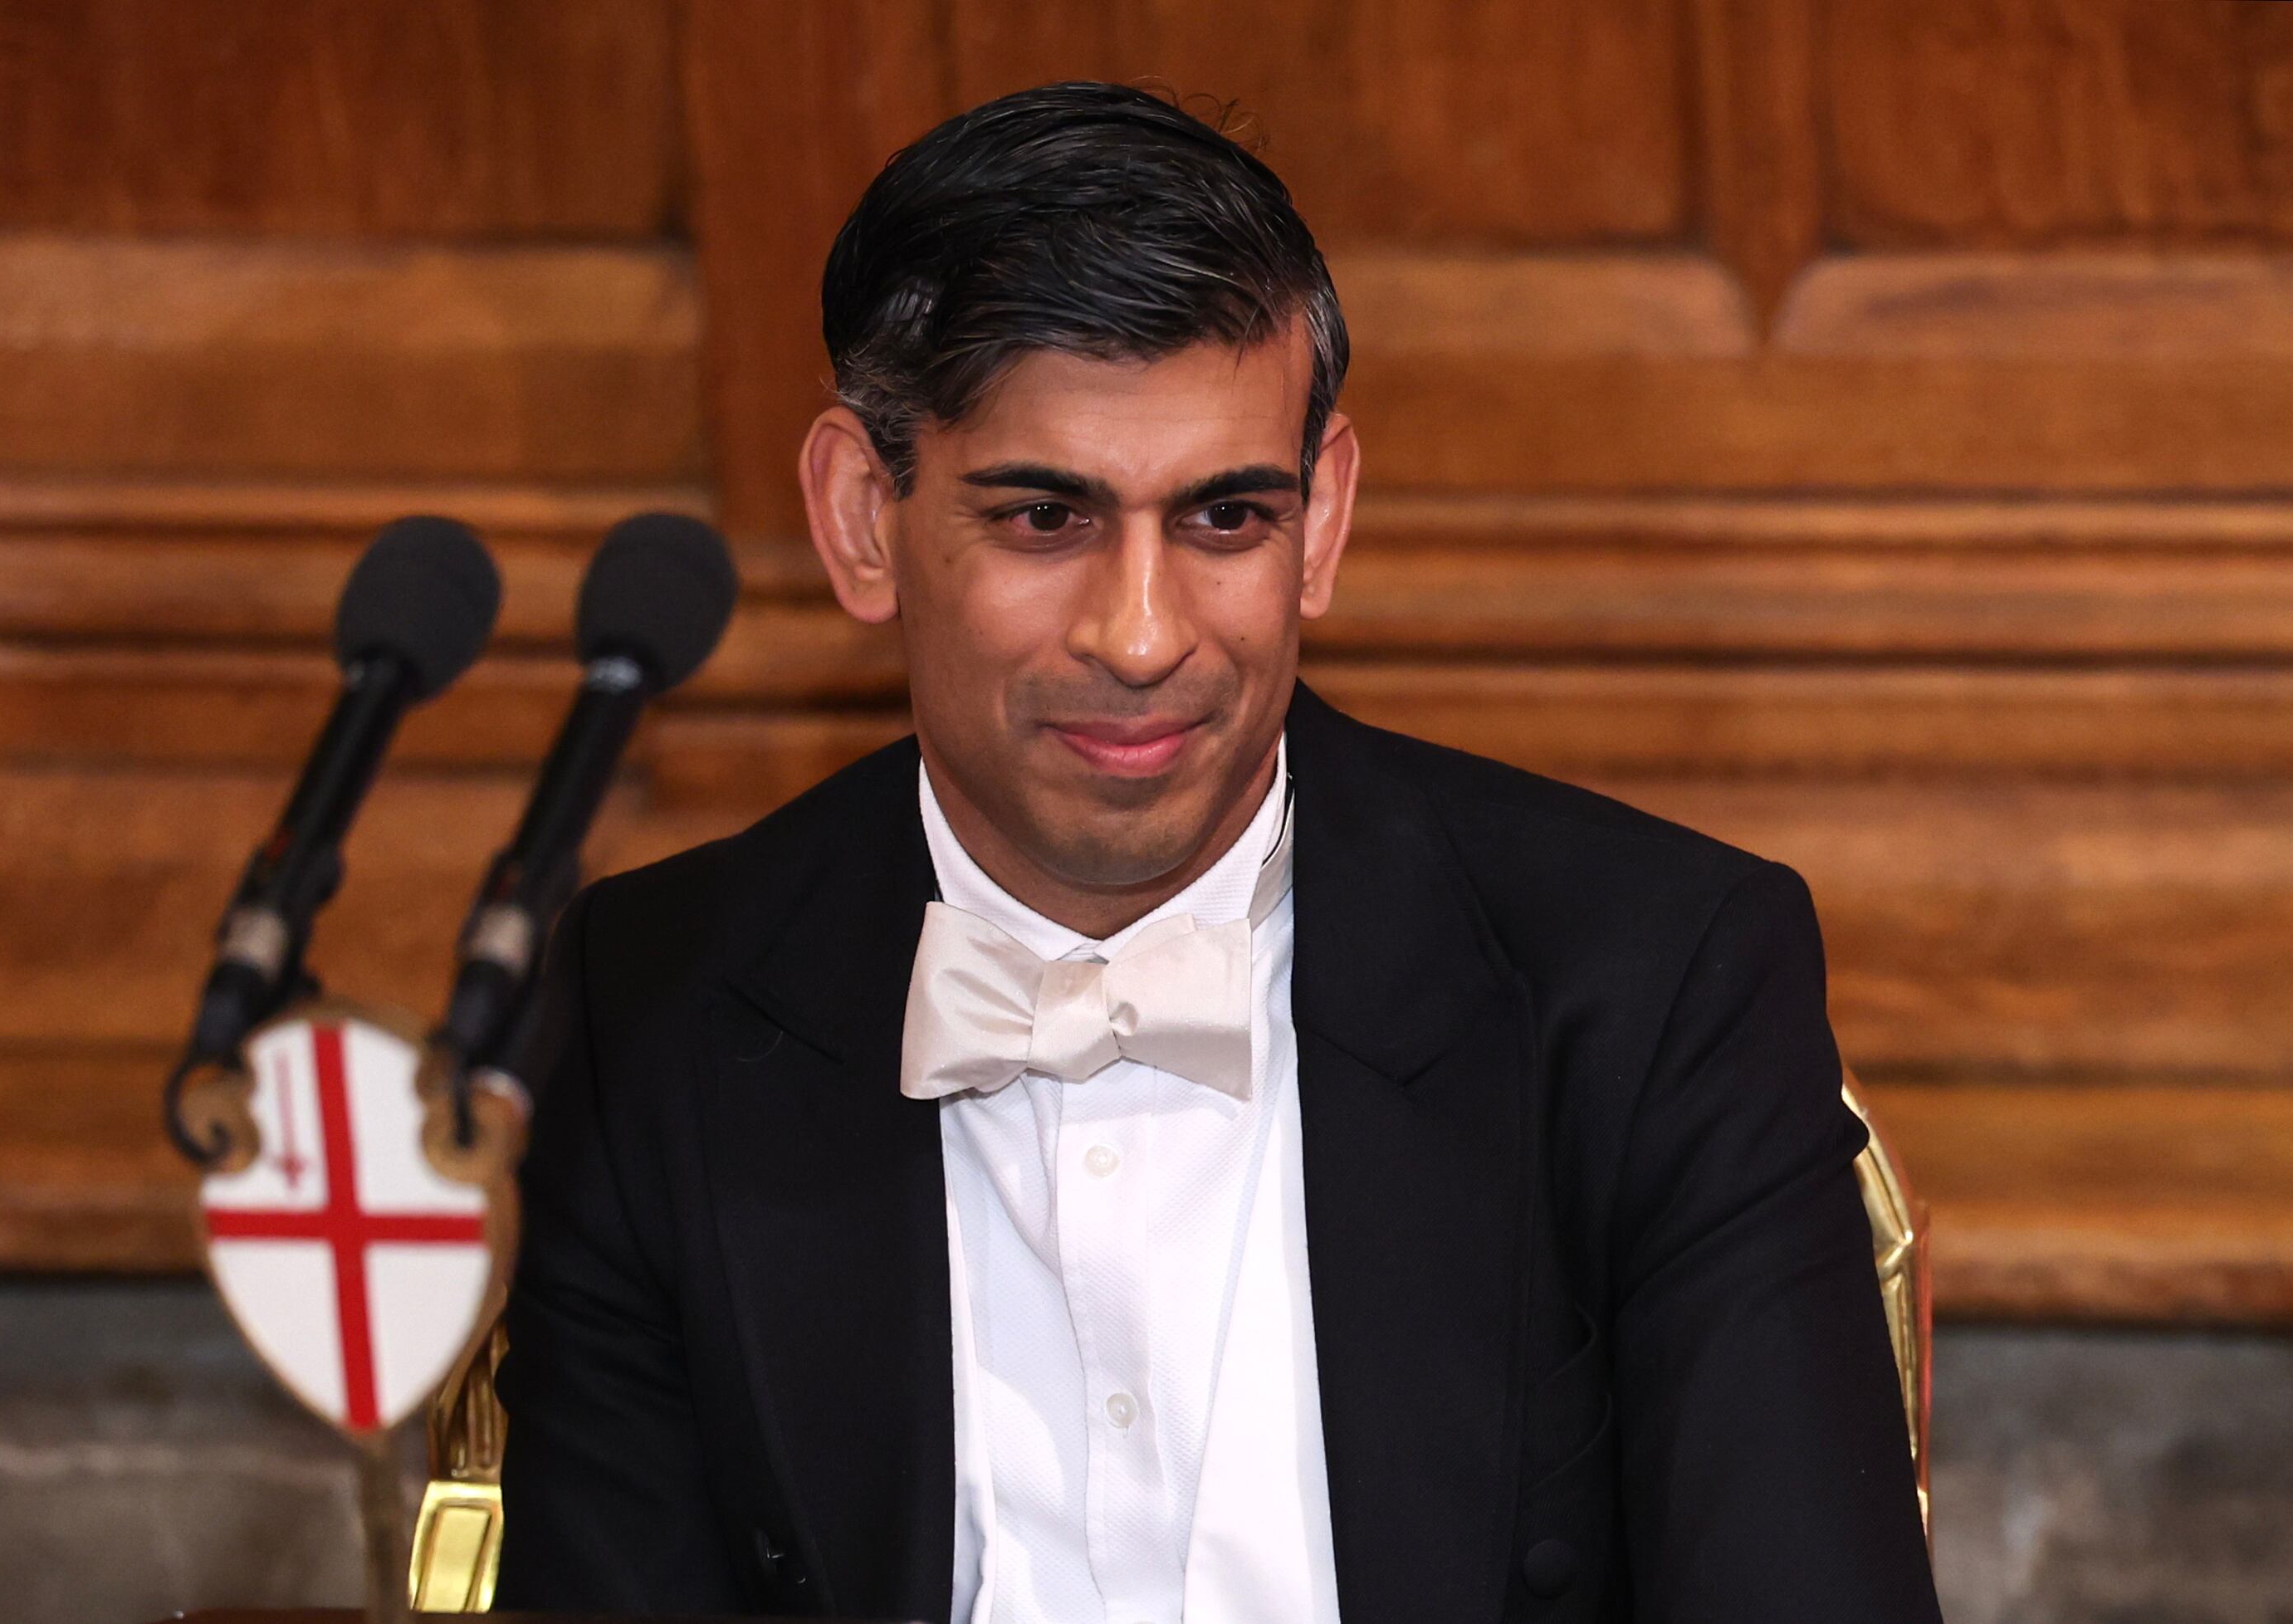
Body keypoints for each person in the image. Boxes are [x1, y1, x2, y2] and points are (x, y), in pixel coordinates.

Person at [494, 81, 1941, 1624]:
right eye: (1046, 519)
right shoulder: (656, 1009)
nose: (1139, 635)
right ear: (862, 518)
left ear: (1319, 523)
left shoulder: (1654, 983)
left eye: (1223, 518)